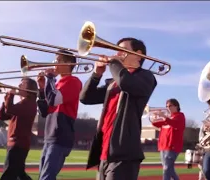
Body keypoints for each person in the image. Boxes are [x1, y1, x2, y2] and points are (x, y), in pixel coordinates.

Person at [80, 37, 157, 180]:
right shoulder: (113, 83)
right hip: (104, 152)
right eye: (117, 51)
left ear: (138, 54)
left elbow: (126, 82)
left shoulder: (146, 77)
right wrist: (96, 74)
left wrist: (114, 63)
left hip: (124, 153)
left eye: (123, 51)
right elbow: (85, 98)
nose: (117, 54)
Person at [37, 50, 82, 180]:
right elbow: (44, 111)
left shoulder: (74, 81)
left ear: (68, 63)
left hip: (61, 136)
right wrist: (41, 89)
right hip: (50, 136)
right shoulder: (55, 84)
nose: (53, 63)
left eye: (58, 60)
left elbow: (54, 100)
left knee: (46, 178)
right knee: (43, 177)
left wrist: (50, 78)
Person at [0, 77, 38, 180]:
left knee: (8, 175)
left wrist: (10, 96)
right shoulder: (23, 103)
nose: (19, 86)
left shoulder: (29, 103)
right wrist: (6, 99)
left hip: (18, 144)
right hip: (17, 144)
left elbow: (10, 109)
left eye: (22, 84)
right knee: (20, 175)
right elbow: (2, 116)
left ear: (29, 88)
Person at [151, 98, 185, 180]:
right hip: (163, 145)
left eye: (170, 106)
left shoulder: (180, 116)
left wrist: (164, 116)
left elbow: (175, 124)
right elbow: (156, 124)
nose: (168, 108)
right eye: (167, 106)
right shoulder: (168, 118)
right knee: (169, 169)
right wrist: (155, 117)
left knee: (166, 169)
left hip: (172, 146)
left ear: (176, 106)